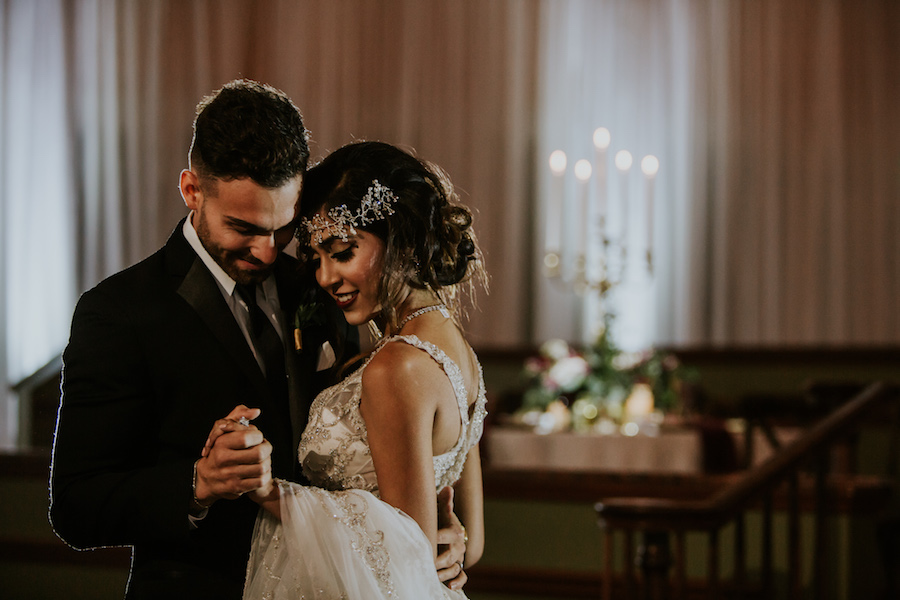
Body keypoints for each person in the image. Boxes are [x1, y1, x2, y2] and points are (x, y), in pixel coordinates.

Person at [49, 81, 466, 599]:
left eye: (283, 229)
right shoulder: (118, 312)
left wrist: (435, 541)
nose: (267, 253)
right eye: (242, 227)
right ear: (192, 191)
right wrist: (198, 483)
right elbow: (75, 507)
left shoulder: (320, 287)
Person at [208, 140, 489, 599]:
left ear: (400, 237)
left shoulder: (395, 368)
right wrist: (450, 537)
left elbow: (402, 556)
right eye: (316, 258)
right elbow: (472, 544)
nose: (323, 277)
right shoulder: (458, 349)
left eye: (342, 253)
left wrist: (266, 490)